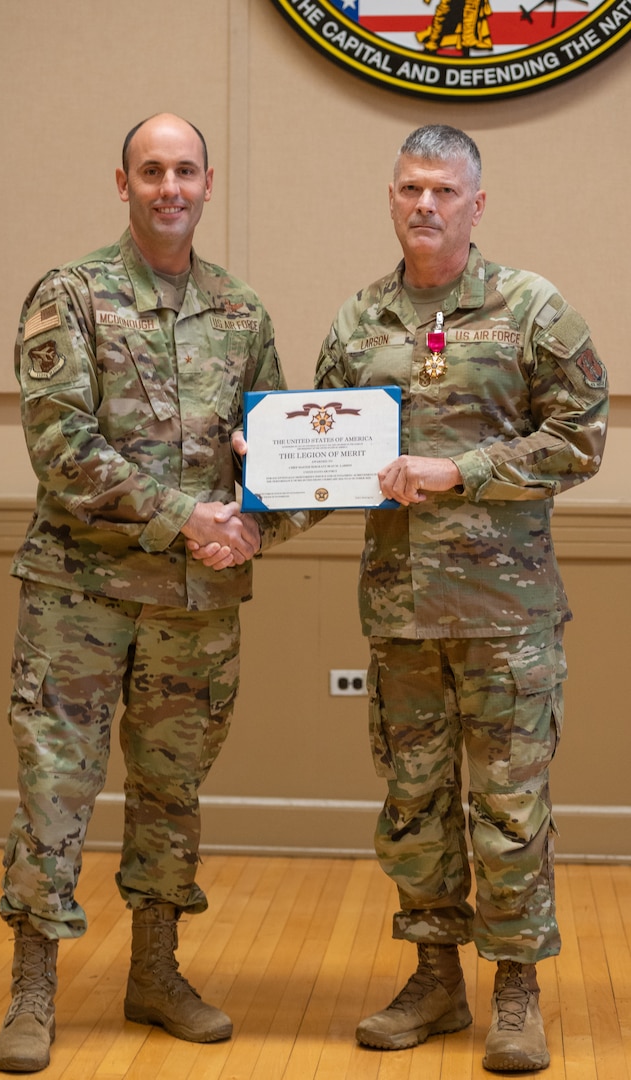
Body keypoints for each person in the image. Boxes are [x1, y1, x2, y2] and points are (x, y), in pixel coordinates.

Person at [0, 112, 289, 1073]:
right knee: (54, 790)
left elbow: (276, 457)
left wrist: (256, 520)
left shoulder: (241, 314)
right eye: (151, 170)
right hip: (80, 595)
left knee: (171, 794)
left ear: (210, 184)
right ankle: (33, 988)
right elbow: (61, 448)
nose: (170, 186)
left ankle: (155, 972)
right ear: (122, 184)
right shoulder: (70, 296)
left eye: (186, 171)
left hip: (193, 606)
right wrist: (183, 517)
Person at [311, 125, 608, 1072]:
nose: (424, 205)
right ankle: (435, 978)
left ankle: (515, 989)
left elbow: (581, 435)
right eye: (408, 188)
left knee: (511, 809)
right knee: (414, 805)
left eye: (443, 189)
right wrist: (268, 468)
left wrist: (462, 470)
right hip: (400, 619)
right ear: (390, 198)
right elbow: (320, 449)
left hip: (506, 619)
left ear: (477, 204)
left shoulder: (530, 310)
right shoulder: (359, 322)